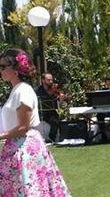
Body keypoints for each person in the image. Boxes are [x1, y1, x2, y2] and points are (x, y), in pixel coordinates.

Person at [0, 49, 71, 195]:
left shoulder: (23, 91)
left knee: (30, 190)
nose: (0, 70)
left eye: (3, 67)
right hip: (16, 145)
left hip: (24, 147)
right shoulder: (16, 90)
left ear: (15, 70)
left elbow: (23, 127)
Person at [35, 71, 64, 142]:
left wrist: (61, 99)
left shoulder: (54, 90)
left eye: (51, 80)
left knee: (56, 121)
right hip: (40, 112)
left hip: (51, 112)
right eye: (48, 80)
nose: (51, 82)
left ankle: (52, 139)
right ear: (43, 80)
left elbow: (59, 105)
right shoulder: (37, 90)